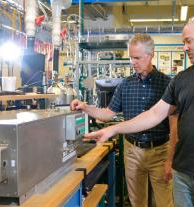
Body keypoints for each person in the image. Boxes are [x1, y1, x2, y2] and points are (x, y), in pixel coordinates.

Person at [84, 17, 194, 207]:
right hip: (182, 177)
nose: (184, 47)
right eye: (183, 42)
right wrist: (114, 129)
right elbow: (154, 115)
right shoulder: (181, 79)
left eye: (188, 41)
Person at [71, 33, 176, 207]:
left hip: (160, 151)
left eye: (137, 58)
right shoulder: (125, 85)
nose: (132, 62)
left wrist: (170, 159)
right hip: (132, 151)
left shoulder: (167, 84)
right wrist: (85, 107)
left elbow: (175, 126)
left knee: (164, 202)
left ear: (151, 55)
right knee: (137, 202)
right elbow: (107, 113)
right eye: (131, 57)